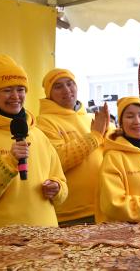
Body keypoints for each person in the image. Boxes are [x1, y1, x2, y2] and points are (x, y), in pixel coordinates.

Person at [0, 54, 68, 227]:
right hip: (4, 243)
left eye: (20, 89)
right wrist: (9, 161)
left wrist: (57, 188)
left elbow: (61, 182)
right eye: (7, 90)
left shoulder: (38, 134)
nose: (15, 96)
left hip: (48, 236)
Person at [37, 68, 112, 226]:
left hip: (103, 208)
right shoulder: (44, 121)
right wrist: (96, 135)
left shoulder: (91, 118)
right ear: (49, 94)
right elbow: (58, 160)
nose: (67, 90)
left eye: (70, 84)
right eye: (58, 86)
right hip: (71, 215)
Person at [97, 97, 140, 223]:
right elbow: (114, 205)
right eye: (130, 116)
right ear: (121, 123)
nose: (137, 121)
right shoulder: (113, 157)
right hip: (123, 235)